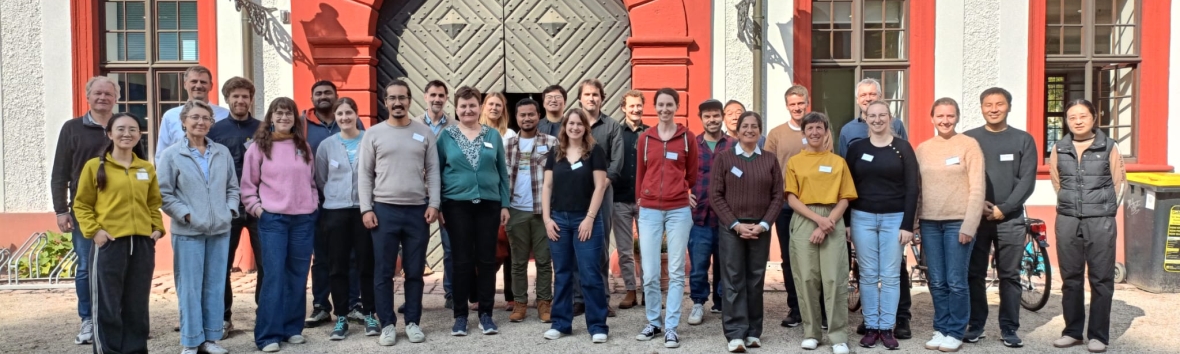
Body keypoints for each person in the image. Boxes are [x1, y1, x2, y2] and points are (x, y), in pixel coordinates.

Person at [51, 76, 145, 345]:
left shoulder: (124, 126)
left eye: (108, 94)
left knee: (121, 267)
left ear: (116, 98)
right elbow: (60, 172)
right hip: (85, 211)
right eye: (98, 93)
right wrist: (61, 210)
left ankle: (118, 319)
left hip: (122, 212)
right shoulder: (72, 128)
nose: (103, 97)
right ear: (88, 96)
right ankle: (89, 320)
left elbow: (139, 165)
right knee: (86, 267)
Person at [72, 112, 166, 354]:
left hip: (142, 244)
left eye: (133, 129)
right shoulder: (94, 167)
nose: (127, 134)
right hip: (109, 243)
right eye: (121, 129)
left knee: (137, 304)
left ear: (139, 135)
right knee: (107, 304)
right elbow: (81, 204)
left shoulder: (146, 168)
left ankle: (135, 350)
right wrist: (95, 232)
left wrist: (156, 228)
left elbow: (153, 203)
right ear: (110, 134)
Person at [358, 80, 440, 345]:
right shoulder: (374, 134)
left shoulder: (424, 132)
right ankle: (387, 325)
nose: (397, 103)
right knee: (383, 272)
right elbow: (364, 174)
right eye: (392, 98)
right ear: (385, 102)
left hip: (417, 211)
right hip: (383, 211)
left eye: (402, 98)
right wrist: (366, 208)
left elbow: (434, 170)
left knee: (414, 271)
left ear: (409, 100)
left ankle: (413, 322)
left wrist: (434, 203)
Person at [833, 78, 914, 338]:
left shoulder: (903, 148)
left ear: (890, 118)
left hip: (894, 219)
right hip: (862, 219)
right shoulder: (856, 148)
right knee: (867, 275)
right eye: (872, 116)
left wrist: (908, 225)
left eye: (882, 115)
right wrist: (847, 222)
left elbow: (913, 187)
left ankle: (887, 327)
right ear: (865, 118)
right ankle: (870, 325)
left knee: (890, 275)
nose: (877, 119)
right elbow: (847, 187)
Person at [157, 100, 238, 354]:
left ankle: (211, 339)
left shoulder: (222, 152)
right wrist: (187, 215)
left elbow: (232, 187)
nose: (200, 122)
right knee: (189, 288)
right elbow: (164, 194)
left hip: (220, 230)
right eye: (195, 117)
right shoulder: (172, 154)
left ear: (211, 123)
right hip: (188, 232)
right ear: (184, 121)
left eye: (206, 118)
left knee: (215, 285)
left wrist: (229, 211)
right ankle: (191, 341)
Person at [241, 97, 320, 352]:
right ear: (271, 117)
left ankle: (292, 328)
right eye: (279, 113)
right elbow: (248, 186)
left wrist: (313, 204)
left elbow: (311, 182)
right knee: (274, 276)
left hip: (303, 220)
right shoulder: (258, 148)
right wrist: (258, 210)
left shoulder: (303, 146)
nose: (284, 117)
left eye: (289, 113)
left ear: (295, 118)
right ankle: (268, 335)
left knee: (297, 275)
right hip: (273, 220)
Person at [1048, 99, 1126, 354]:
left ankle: (1098, 335)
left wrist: (1105, 210)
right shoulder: (1060, 147)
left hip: (1100, 220)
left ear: (1094, 118)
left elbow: (1119, 183)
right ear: (1066, 121)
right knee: (1070, 277)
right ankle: (1072, 332)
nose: (1078, 121)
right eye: (1072, 117)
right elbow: (1057, 181)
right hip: (1068, 219)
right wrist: (1071, 203)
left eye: (1083, 116)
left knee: (1101, 278)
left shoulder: (1109, 146)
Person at [962, 88, 1038, 347]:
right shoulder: (969, 139)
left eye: (999, 104)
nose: (993, 109)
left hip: (1010, 219)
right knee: (974, 273)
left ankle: (1009, 328)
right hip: (977, 218)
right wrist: (977, 203)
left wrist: (1004, 208)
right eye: (988, 104)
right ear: (981, 107)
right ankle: (976, 325)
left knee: (1010, 276)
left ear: (1009, 106)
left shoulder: (1023, 140)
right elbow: (961, 175)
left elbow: (1027, 181)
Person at [437, 86, 511, 336]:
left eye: (472, 105)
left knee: (487, 260)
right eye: (463, 106)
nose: (468, 110)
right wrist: (438, 206)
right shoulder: (446, 136)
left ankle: (486, 314)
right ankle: (460, 316)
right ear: (456, 109)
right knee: (461, 260)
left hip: (489, 205)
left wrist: (504, 204)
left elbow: (502, 172)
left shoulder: (492, 135)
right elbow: (436, 173)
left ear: (479, 108)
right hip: (456, 205)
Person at [710, 111, 784, 353]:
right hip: (732, 228)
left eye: (754, 126)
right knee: (733, 280)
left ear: (760, 131)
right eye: (745, 126)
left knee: (755, 280)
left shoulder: (770, 159)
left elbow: (778, 195)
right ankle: (735, 333)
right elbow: (715, 195)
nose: (749, 130)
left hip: (760, 228)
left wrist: (764, 224)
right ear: (737, 130)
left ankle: (753, 332)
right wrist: (735, 224)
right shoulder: (724, 158)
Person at [916, 98, 985, 353]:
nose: (945, 121)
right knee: (936, 280)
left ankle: (955, 331)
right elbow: (917, 189)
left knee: (956, 280)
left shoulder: (969, 145)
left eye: (950, 116)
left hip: (958, 222)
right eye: (940, 116)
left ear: (957, 117)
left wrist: (970, 224)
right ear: (932, 118)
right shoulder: (923, 149)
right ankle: (941, 328)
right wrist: (914, 222)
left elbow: (977, 187)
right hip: (930, 223)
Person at [785, 112, 857, 354]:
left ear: (826, 132)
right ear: (804, 132)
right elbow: (791, 197)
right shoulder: (795, 162)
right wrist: (818, 221)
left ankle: (838, 335)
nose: (815, 132)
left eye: (819, 128)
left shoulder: (838, 162)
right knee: (806, 278)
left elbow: (845, 197)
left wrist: (829, 221)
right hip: (805, 218)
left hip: (833, 217)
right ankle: (811, 333)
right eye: (810, 128)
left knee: (834, 278)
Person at [633, 88, 698, 348]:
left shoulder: (687, 138)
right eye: (660, 104)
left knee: (676, 271)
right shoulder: (645, 138)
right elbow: (640, 173)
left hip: (678, 210)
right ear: (655, 107)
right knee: (649, 272)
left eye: (669, 104)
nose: (664, 109)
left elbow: (692, 173)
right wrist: (641, 199)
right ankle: (653, 322)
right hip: (649, 209)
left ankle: (671, 327)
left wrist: (681, 191)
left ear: (677, 106)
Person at [764, 85, 832, 329]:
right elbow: (768, 168)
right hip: (785, 206)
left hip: (816, 205)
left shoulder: (821, 132)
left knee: (818, 257)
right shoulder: (776, 134)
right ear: (787, 106)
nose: (797, 107)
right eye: (792, 104)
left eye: (800, 103)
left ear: (807, 102)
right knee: (790, 258)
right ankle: (796, 307)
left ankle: (821, 309)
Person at [540, 108, 611, 343]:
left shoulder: (595, 151)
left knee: (590, 273)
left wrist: (589, 218)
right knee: (562, 274)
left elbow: (600, 186)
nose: (575, 127)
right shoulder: (555, 152)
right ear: (565, 126)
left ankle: (598, 325)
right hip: (558, 220)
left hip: (586, 219)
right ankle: (561, 323)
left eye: (579, 124)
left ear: (585, 127)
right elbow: (547, 187)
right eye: (571, 123)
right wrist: (547, 219)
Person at [314, 97, 380, 341]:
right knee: (337, 266)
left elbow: (377, 173)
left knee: (366, 264)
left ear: (356, 114)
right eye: (340, 114)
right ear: (335, 116)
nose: (344, 117)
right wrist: (336, 195)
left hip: (365, 210)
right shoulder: (326, 146)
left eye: (349, 113)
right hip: (335, 211)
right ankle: (341, 316)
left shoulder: (369, 139)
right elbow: (321, 179)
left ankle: (370, 313)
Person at [304, 80, 365, 327]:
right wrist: (329, 193)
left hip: (357, 205)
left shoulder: (360, 129)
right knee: (322, 257)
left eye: (328, 92)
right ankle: (321, 305)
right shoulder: (304, 124)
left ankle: (353, 304)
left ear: (336, 95)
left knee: (352, 257)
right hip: (323, 204)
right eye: (318, 93)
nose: (323, 96)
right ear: (312, 98)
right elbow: (320, 176)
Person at [209, 76, 262, 335]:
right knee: (221, 264)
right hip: (225, 208)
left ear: (251, 99)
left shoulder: (263, 130)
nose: (240, 100)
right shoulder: (214, 131)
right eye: (235, 96)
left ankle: (264, 313)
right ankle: (223, 317)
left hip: (259, 206)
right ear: (227, 99)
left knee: (266, 264)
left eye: (245, 96)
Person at [572, 79, 623, 317]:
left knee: (600, 246)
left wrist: (601, 186)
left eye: (595, 94)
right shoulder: (572, 123)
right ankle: (578, 298)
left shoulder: (612, 126)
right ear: (580, 98)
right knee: (576, 245)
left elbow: (617, 162)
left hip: (603, 193)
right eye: (587, 94)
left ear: (602, 98)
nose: (591, 98)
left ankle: (602, 299)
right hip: (574, 194)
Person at [505, 98, 558, 323]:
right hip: (515, 210)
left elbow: (559, 176)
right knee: (518, 262)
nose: (527, 118)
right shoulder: (507, 144)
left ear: (539, 116)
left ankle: (544, 303)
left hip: (542, 211)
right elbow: (500, 178)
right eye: (522, 115)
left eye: (531, 114)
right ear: (516, 118)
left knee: (544, 260)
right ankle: (520, 303)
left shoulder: (552, 142)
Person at [688, 99, 735, 326]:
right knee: (699, 265)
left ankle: (723, 302)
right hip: (700, 216)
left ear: (722, 117)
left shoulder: (733, 145)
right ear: (701, 119)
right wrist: (683, 192)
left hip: (727, 217)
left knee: (726, 264)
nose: (712, 120)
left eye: (716, 115)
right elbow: (679, 172)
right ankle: (698, 302)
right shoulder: (692, 145)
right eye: (707, 116)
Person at [420, 79, 456, 310]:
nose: (437, 99)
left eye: (441, 95)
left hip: (447, 193)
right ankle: (414, 296)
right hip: (418, 194)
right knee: (416, 248)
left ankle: (451, 292)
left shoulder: (455, 126)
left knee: (451, 246)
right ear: (425, 97)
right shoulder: (412, 124)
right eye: (433, 95)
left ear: (446, 98)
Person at [480, 91, 517, 311]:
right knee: (485, 249)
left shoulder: (510, 134)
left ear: (504, 109)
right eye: (491, 104)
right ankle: (483, 295)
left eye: (498, 105)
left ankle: (511, 297)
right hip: (482, 197)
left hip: (505, 196)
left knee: (509, 249)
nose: (494, 108)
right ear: (484, 107)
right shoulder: (475, 131)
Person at [612, 90, 647, 309]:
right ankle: (631, 291)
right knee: (625, 250)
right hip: (620, 198)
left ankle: (648, 292)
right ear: (624, 108)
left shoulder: (650, 133)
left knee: (648, 249)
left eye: (638, 105)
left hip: (646, 201)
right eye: (631, 106)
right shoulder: (615, 132)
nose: (635, 109)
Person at [155, 65, 231, 161]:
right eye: (194, 81)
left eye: (203, 82)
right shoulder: (170, 116)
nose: (198, 86)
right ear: (185, 84)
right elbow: (161, 155)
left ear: (211, 86)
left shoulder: (225, 115)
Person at [836, 78, 908, 157]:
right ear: (857, 100)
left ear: (880, 97)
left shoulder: (896, 124)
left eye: (872, 94)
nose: (868, 99)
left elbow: (905, 156)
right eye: (863, 95)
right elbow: (844, 161)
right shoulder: (847, 130)